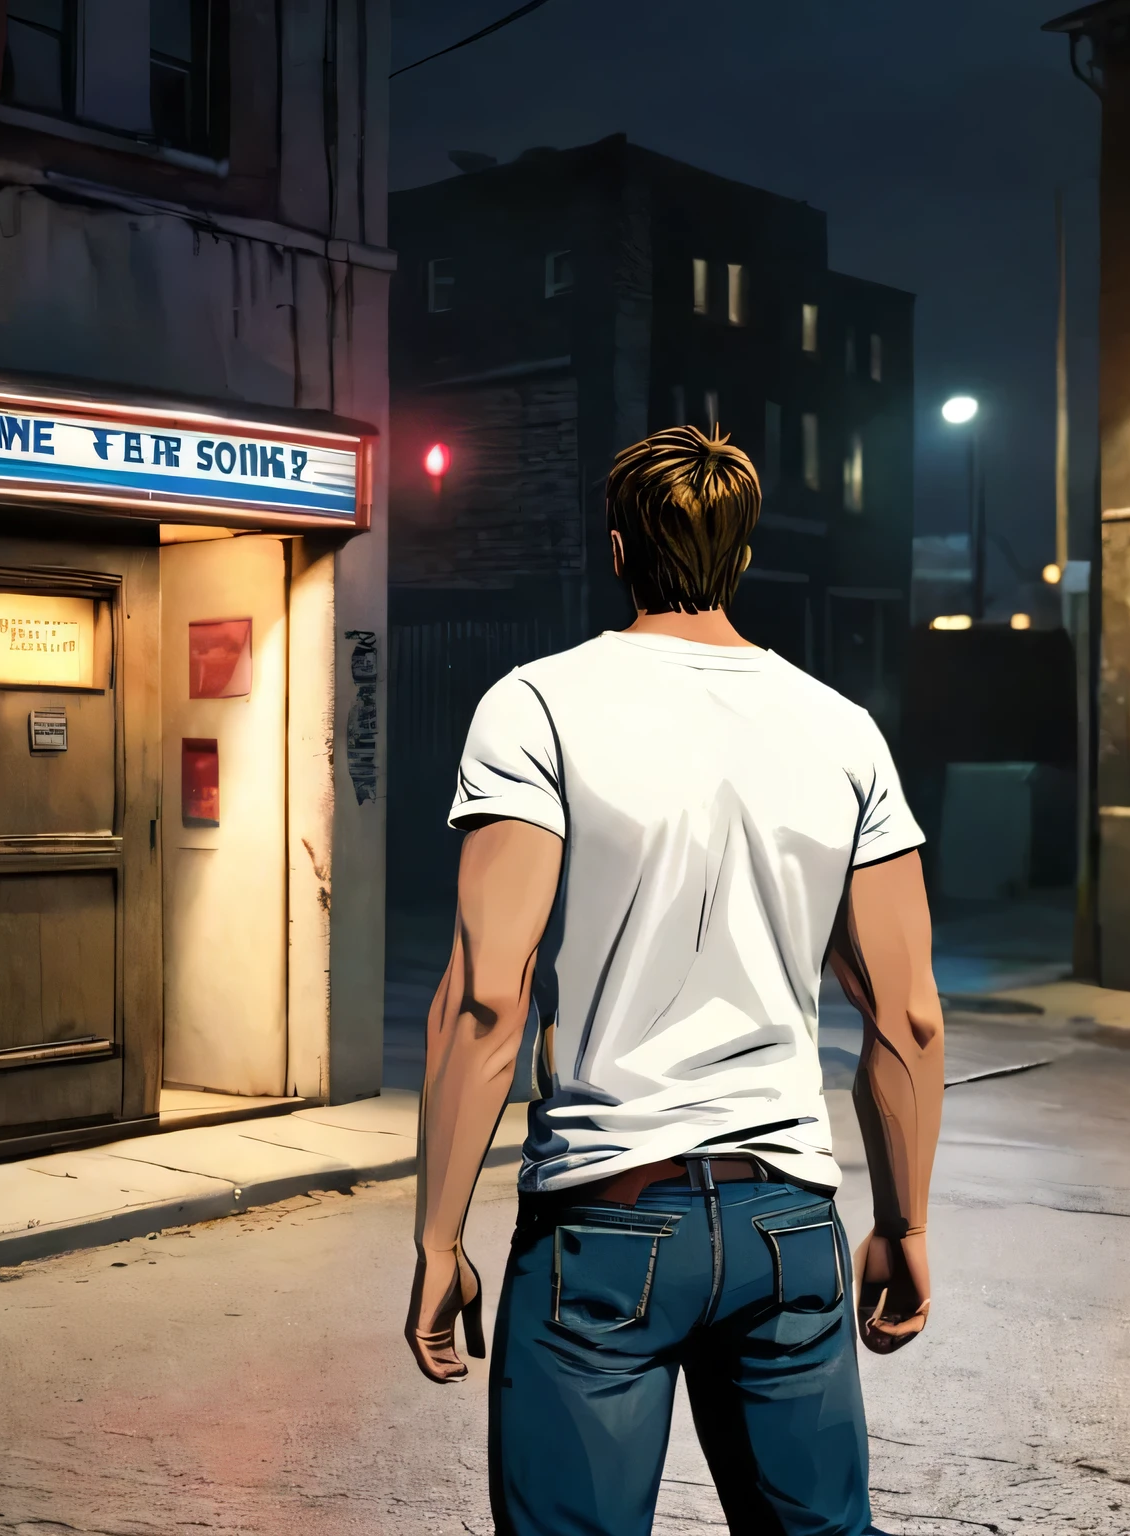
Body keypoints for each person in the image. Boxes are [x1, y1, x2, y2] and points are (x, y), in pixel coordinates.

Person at [402, 425, 945, 1536]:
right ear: (743, 558)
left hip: (607, 1219)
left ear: (616, 550)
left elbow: (485, 999)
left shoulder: (538, 706)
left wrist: (435, 1239)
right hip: (790, 1226)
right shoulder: (845, 732)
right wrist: (905, 1222)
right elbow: (908, 1017)